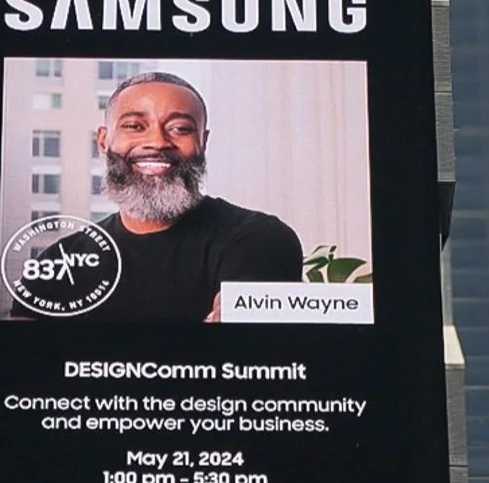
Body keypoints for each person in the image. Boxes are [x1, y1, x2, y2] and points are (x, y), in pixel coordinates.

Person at [35, 72, 302, 321]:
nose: (158, 141)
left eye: (180, 128)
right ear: (104, 141)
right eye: (134, 125)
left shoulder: (258, 238)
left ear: (202, 142)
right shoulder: (58, 259)